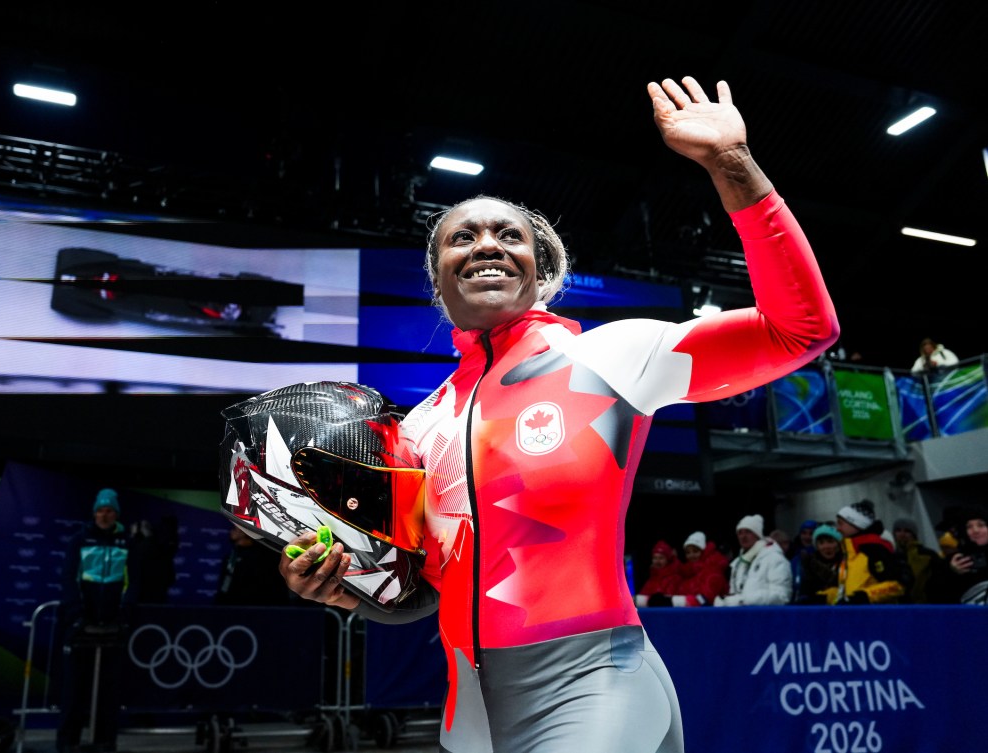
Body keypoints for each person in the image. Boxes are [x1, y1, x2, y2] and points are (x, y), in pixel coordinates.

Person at [279, 75, 839, 752]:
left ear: (539, 269)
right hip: (471, 713)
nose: (486, 243)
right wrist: (343, 590)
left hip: (595, 682)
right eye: (462, 237)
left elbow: (800, 329)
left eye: (507, 234)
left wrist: (732, 163)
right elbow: (422, 591)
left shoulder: (610, 358)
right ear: (438, 280)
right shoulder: (418, 428)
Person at [56, 488, 137, 753]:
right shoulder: (79, 540)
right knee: (74, 689)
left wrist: (123, 615)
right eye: (100, 510)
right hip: (81, 626)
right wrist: (76, 615)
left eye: (109, 510)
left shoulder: (126, 542)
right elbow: (69, 578)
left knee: (108, 690)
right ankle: (68, 742)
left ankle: (105, 741)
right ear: (94, 513)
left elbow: (132, 582)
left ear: (116, 514)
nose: (104, 515)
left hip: (113, 627)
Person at [831, 499, 907, 605]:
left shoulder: (875, 550)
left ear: (856, 524)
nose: (837, 528)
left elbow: (897, 585)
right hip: (852, 613)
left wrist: (864, 596)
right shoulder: (847, 552)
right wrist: (824, 596)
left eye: (841, 523)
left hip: (876, 614)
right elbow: (842, 589)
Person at [714, 514, 792, 606]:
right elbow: (735, 595)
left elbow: (782, 596)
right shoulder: (738, 563)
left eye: (748, 532)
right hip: (743, 614)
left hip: (765, 614)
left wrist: (743, 600)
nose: (743, 536)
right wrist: (725, 602)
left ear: (757, 535)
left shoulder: (774, 558)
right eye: (740, 533)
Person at [214, 525, 294, 606]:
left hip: (256, 604)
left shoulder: (264, 556)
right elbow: (227, 578)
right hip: (233, 604)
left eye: (235, 529)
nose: (231, 532)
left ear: (245, 532)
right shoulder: (232, 555)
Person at [932, 505, 988, 604]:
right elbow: (935, 597)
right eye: (969, 527)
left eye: (981, 525)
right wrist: (951, 573)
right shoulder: (954, 560)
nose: (976, 530)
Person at [890, 517, 942, 604]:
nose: (902, 534)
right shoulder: (891, 556)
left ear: (914, 534)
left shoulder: (927, 555)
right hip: (897, 606)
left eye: (907, 531)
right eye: (898, 530)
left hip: (923, 605)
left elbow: (938, 582)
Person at [669, 531, 729, 607]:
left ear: (703, 551)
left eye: (695, 551)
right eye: (688, 552)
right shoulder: (687, 573)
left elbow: (706, 599)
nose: (691, 555)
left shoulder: (713, 570)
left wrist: (676, 601)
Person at [794, 524, 843, 605]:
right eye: (821, 543)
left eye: (830, 542)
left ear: (839, 544)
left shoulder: (847, 563)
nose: (826, 546)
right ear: (816, 546)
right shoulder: (808, 565)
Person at [633, 540, 684, 607]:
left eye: (661, 558)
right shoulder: (652, 578)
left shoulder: (675, 578)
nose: (657, 561)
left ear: (668, 559)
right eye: (655, 558)